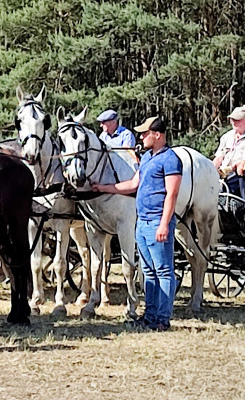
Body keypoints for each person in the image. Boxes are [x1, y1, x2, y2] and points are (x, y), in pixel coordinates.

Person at [91, 116, 181, 331]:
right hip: (142, 222)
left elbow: (172, 194)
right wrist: (104, 188)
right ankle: (149, 316)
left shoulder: (170, 159)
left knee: (164, 271)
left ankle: (162, 318)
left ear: (157, 135)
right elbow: (133, 184)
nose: (140, 137)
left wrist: (163, 224)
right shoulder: (148, 157)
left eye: (144, 133)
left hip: (157, 221)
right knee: (148, 271)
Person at [212, 107, 245, 202]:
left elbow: (243, 163)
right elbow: (219, 157)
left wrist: (227, 170)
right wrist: (211, 170)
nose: (234, 122)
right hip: (222, 175)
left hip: (240, 175)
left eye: (238, 120)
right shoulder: (226, 136)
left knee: (241, 174)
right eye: (232, 119)